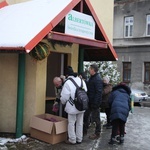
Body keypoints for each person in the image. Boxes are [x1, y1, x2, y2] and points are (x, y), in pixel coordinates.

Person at [60, 66, 87, 144]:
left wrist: (62, 102)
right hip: (82, 105)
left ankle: (72, 139)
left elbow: (65, 97)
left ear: (67, 75)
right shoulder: (81, 80)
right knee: (79, 123)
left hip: (72, 106)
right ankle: (79, 139)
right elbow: (85, 91)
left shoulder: (67, 82)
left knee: (71, 123)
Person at [83, 63, 103, 140]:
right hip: (90, 101)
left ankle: (97, 133)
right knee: (86, 117)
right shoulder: (92, 77)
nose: (89, 70)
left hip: (94, 103)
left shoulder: (97, 79)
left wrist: (96, 103)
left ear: (93, 70)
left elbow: (99, 92)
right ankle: (84, 131)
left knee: (96, 118)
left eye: (90, 69)